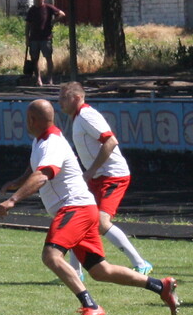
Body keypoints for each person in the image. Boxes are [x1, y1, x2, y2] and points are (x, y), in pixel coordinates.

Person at [0, 99, 180, 315]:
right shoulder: (41, 141)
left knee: (51, 256)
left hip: (74, 208)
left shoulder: (51, 143)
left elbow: (44, 174)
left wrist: (13, 200)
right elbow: (34, 169)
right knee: (100, 270)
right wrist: (16, 182)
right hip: (83, 208)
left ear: (32, 119)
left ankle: (91, 306)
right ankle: (161, 286)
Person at [58, 82, 153, 274]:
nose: (60, 102)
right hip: (98, 177)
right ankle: (76, 272)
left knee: (101, 222)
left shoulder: (86, 115)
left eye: (63, 97)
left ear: (77, 98)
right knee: (80, 219)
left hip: (112, 175)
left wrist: (91, 171)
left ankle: (141, 263)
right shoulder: (77, 118)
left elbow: (110, 141)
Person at [23, 0, 67, 83]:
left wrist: (53, 21)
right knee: (34, 59)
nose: (38, 0)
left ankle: (50, 78)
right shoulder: (32, 10)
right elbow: (27, 25)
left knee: (48, 58)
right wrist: (27, 38)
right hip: (34, 39)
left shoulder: (48, 7)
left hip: (46, 38)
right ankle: (38, 78)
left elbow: (62, 14)